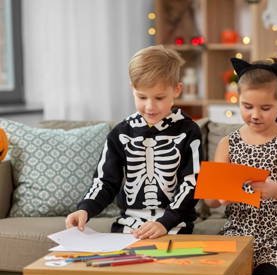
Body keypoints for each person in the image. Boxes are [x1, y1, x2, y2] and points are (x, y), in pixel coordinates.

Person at [66, 45, 202, 239]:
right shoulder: (120, 134)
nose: (150, 106)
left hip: (174, 223)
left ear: (177, 90)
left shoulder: (188, 131)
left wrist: (166, 221)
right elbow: (105, 181)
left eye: (159, 97)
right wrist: (85, 209)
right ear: (132, 89)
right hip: (129, 224)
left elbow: (192, 183)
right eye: (142, 96)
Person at [205, 57, 277, 275]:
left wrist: (275, 190)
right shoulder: (227, 144)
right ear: (238, 100)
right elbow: (211, 201)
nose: (255, 114)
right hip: (239, 231)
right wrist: (222, 195)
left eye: (265, 108)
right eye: (247, 106)